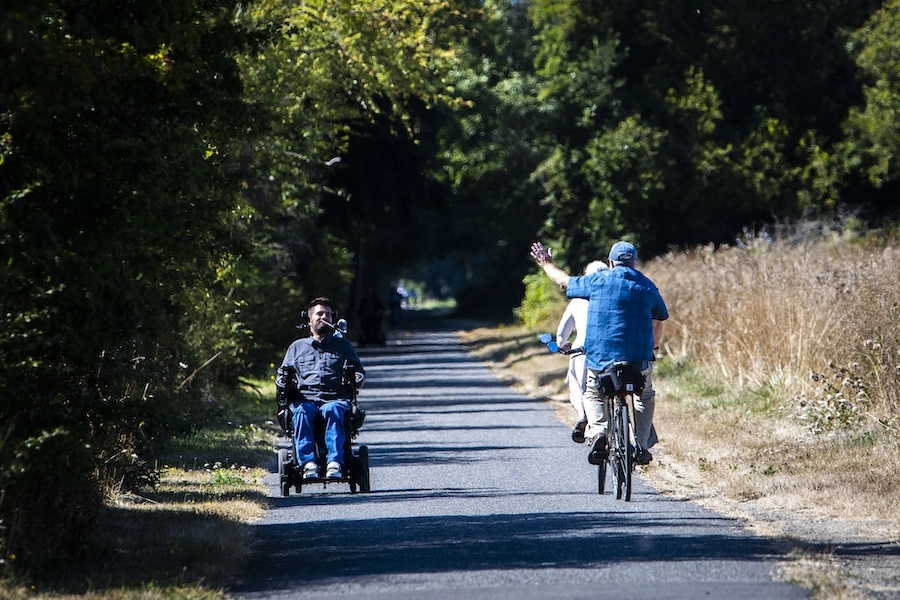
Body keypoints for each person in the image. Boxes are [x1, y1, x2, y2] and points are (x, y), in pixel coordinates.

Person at [530, 240, 668, 465]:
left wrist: (545, 263)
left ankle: (599, 432)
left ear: (611, 262)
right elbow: (658, 320)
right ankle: (641, 446)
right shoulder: (648, 286)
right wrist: (653, 347)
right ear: (635, 262)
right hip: (637, 359)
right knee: (645, 395)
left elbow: (563, 282)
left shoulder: (596, 281)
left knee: (593, 392)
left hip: (601, 357)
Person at [277, 297, 365, 480]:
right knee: (301, 412)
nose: (324, 317)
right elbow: (281, 375)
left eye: (328, 314)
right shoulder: (296, 348)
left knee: (332, 409)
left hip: (335, 399)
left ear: (333, 319)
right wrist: (283, 381)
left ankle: (335, 463)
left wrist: (356, 378)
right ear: (309, 320)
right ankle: (308, 464)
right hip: (305, 400)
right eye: (319, 314)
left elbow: (359, 372)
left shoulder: (343, 346)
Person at [556, 260, 607, 444]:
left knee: (580, 386)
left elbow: (562, 334)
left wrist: (562, 344)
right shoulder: (613, 297)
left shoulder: (578, 300)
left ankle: (582, 415)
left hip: (582, 350)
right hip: (610, 350)